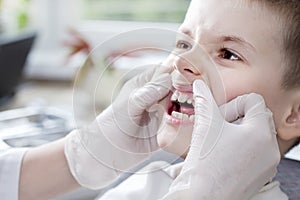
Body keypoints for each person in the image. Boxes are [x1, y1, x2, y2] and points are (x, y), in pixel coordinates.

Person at [0, 0, 299, 200]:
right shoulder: (150, 185)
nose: (182, 61)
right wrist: (77, 158)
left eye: (228, 54)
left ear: (294, 114)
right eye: (184, 43)